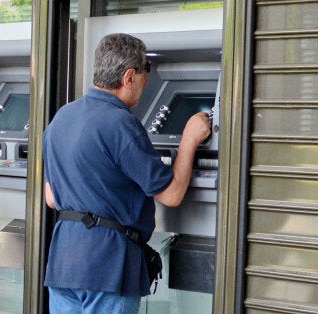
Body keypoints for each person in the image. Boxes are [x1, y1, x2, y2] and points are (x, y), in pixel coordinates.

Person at [42, 33, 211, 313]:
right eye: (147, 72)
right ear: (129, 76)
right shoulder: (120, 124)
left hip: (63, 263)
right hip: (107, 266)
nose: (147, 81)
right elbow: (171, 194)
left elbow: (51, 197)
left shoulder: (63, 117)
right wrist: (189, 140)